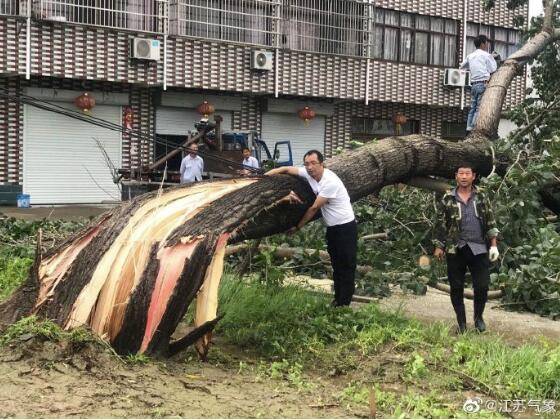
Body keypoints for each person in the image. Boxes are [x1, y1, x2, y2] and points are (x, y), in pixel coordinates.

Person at [266, 150, 357, 306]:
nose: (309, 167)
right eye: (307, 163)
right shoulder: (309, 173)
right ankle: (338, 299)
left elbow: (314, 208)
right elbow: (285, 169)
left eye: (313, 163)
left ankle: (344, 303)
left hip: (346, 228)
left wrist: (297, 227)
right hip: (332, 228)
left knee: (346, 265)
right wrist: (264, 177)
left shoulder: (330, 182)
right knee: (336, 264)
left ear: (321, 164)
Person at [433, 165, 500, 333]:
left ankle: (478, 319)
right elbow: (440, 224)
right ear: (456, 176)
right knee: (456, 287)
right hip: (456, 248)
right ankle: (461, 323)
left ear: (473, 176)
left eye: (467, 173)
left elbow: (491, 220)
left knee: (482, 286)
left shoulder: (482, 196)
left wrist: (494, 245)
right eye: (461, 173)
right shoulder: (448, 198)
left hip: (479, 248)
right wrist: (439, 246)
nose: (464, 176)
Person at [460, 34, 498, 132]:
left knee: (473, 107)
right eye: (486, 43)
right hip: (483, 83)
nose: (487, 45)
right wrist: (492, 57)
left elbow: (462, 67)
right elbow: (493, 69)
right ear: (482, 43)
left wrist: (473, 66)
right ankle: (473, 127)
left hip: (473, 84)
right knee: (478, 107)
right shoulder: (486, 55)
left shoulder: (470, 56)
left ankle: (468, 127)